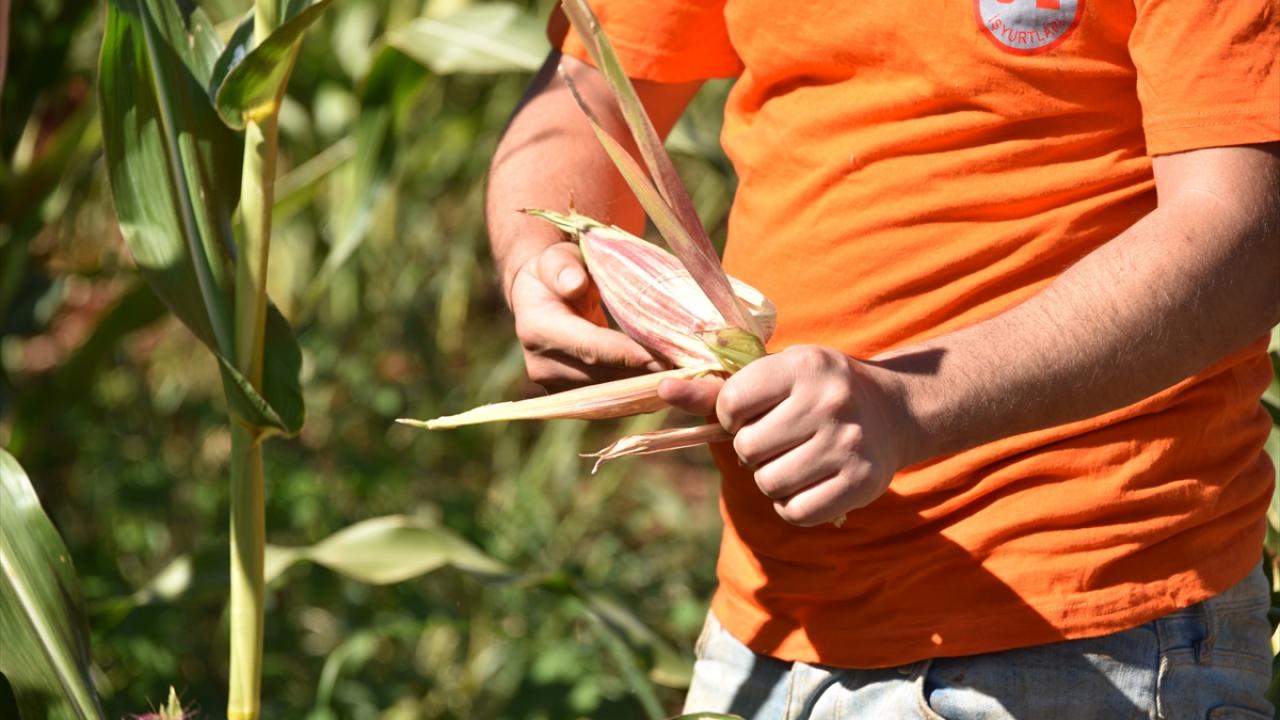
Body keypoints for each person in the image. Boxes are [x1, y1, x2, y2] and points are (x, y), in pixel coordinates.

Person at [485, 1, 1280, 717]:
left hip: (1087, 630)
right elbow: (588, 84)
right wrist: (539, 261)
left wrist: (908, 405)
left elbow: (1246, 238)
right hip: (763, 625)